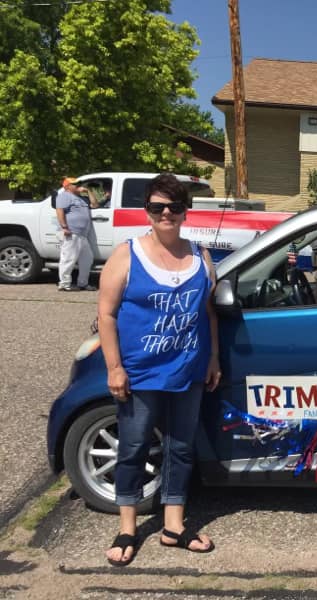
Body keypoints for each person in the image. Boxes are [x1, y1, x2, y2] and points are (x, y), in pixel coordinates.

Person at [97, 173, 221, 567]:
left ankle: (173, 526)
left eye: (174, 206)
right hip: (140, 372)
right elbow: (106, 315)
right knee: (133, 448)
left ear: (186, 211)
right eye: (157, 207)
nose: (166, 213)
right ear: (147, 210)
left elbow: (208, 313)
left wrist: (213, 358)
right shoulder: (127, 254)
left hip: (187, 370)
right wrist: (114, 368)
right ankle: (127, 528)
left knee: (181, 448)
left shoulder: (200, 256)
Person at [55, 177, 96, 291]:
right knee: (68, 259)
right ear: (67, 186)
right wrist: (64, 227)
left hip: (82, 234)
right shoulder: (64, 196)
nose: (78, 185)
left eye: (78, 184)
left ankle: (83, 283)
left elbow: (95, 204)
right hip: (71, 232)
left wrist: (89, 191)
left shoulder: (82, 198)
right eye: (75, 184)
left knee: (87, 259)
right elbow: (59, 210)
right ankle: (64, 284)